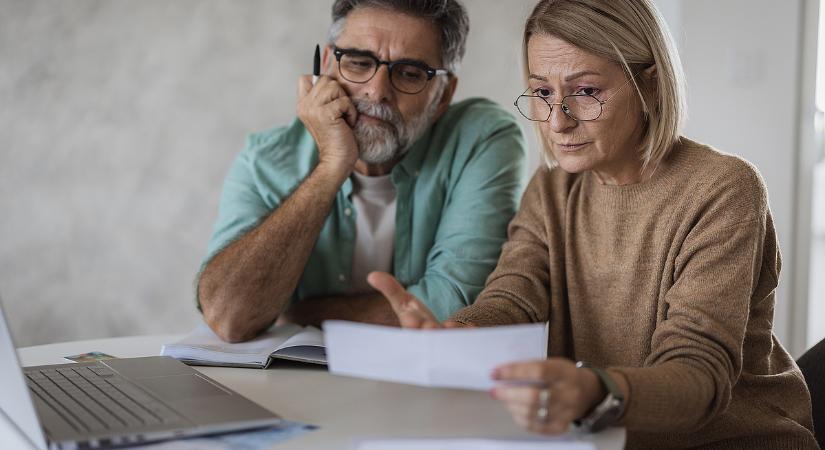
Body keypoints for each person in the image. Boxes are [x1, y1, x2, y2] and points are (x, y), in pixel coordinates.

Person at [368, 0, 820, 448]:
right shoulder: (551, 190)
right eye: (543, 93)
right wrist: (460, 335)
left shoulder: (723, 189)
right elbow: (513, 297)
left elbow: (699, 375)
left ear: (652, 85)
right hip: (606, 440)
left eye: (586, 91)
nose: (557, 121)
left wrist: (596, 390)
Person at [197, 0, 528, 343]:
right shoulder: (264, 161)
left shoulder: (481, 138)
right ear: (326, 67)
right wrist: (331, 167)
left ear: (442, 95)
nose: (377, 91)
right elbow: (229, 318)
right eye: (358, 63)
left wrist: (301, 314)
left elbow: (454, 306)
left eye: (409, 73)